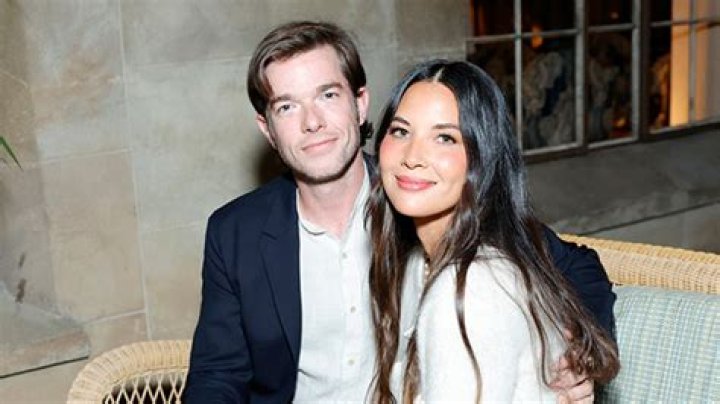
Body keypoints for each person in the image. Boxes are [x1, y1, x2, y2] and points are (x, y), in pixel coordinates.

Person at [183, 21, 615, 403]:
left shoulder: (418, 195)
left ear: (360, 103)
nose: (312, 122)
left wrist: (578, 357)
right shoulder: (235, 232)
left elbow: (576, 266)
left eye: (328, 95)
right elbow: (217, 375)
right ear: (268, 129)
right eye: (287, 106)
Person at [367, 59, 620, 403]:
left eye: (444, 137)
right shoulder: (418, 258)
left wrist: (579, 353)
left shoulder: (469, 289)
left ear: (483, 159)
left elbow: (580, 264)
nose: (413, 156)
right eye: (401, 131)